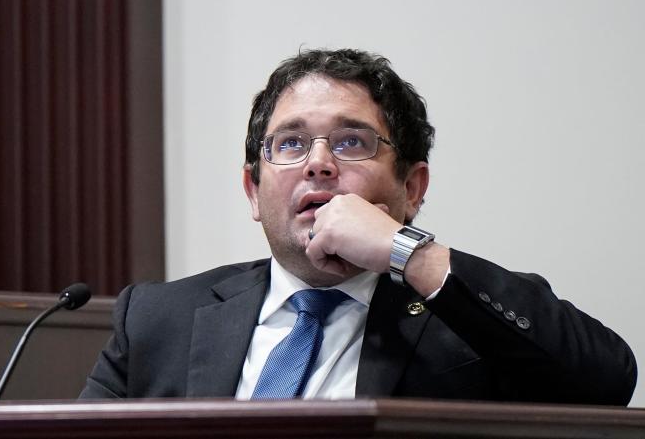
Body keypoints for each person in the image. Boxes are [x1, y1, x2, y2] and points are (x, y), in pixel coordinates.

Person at [79, 48, 637, 404]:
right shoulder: (157, 319)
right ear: (253, 190)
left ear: (412, 189)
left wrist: (410, 255)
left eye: (351, 142)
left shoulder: (463, 320)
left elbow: (607, 380)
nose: (318, 163)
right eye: (291, 143)